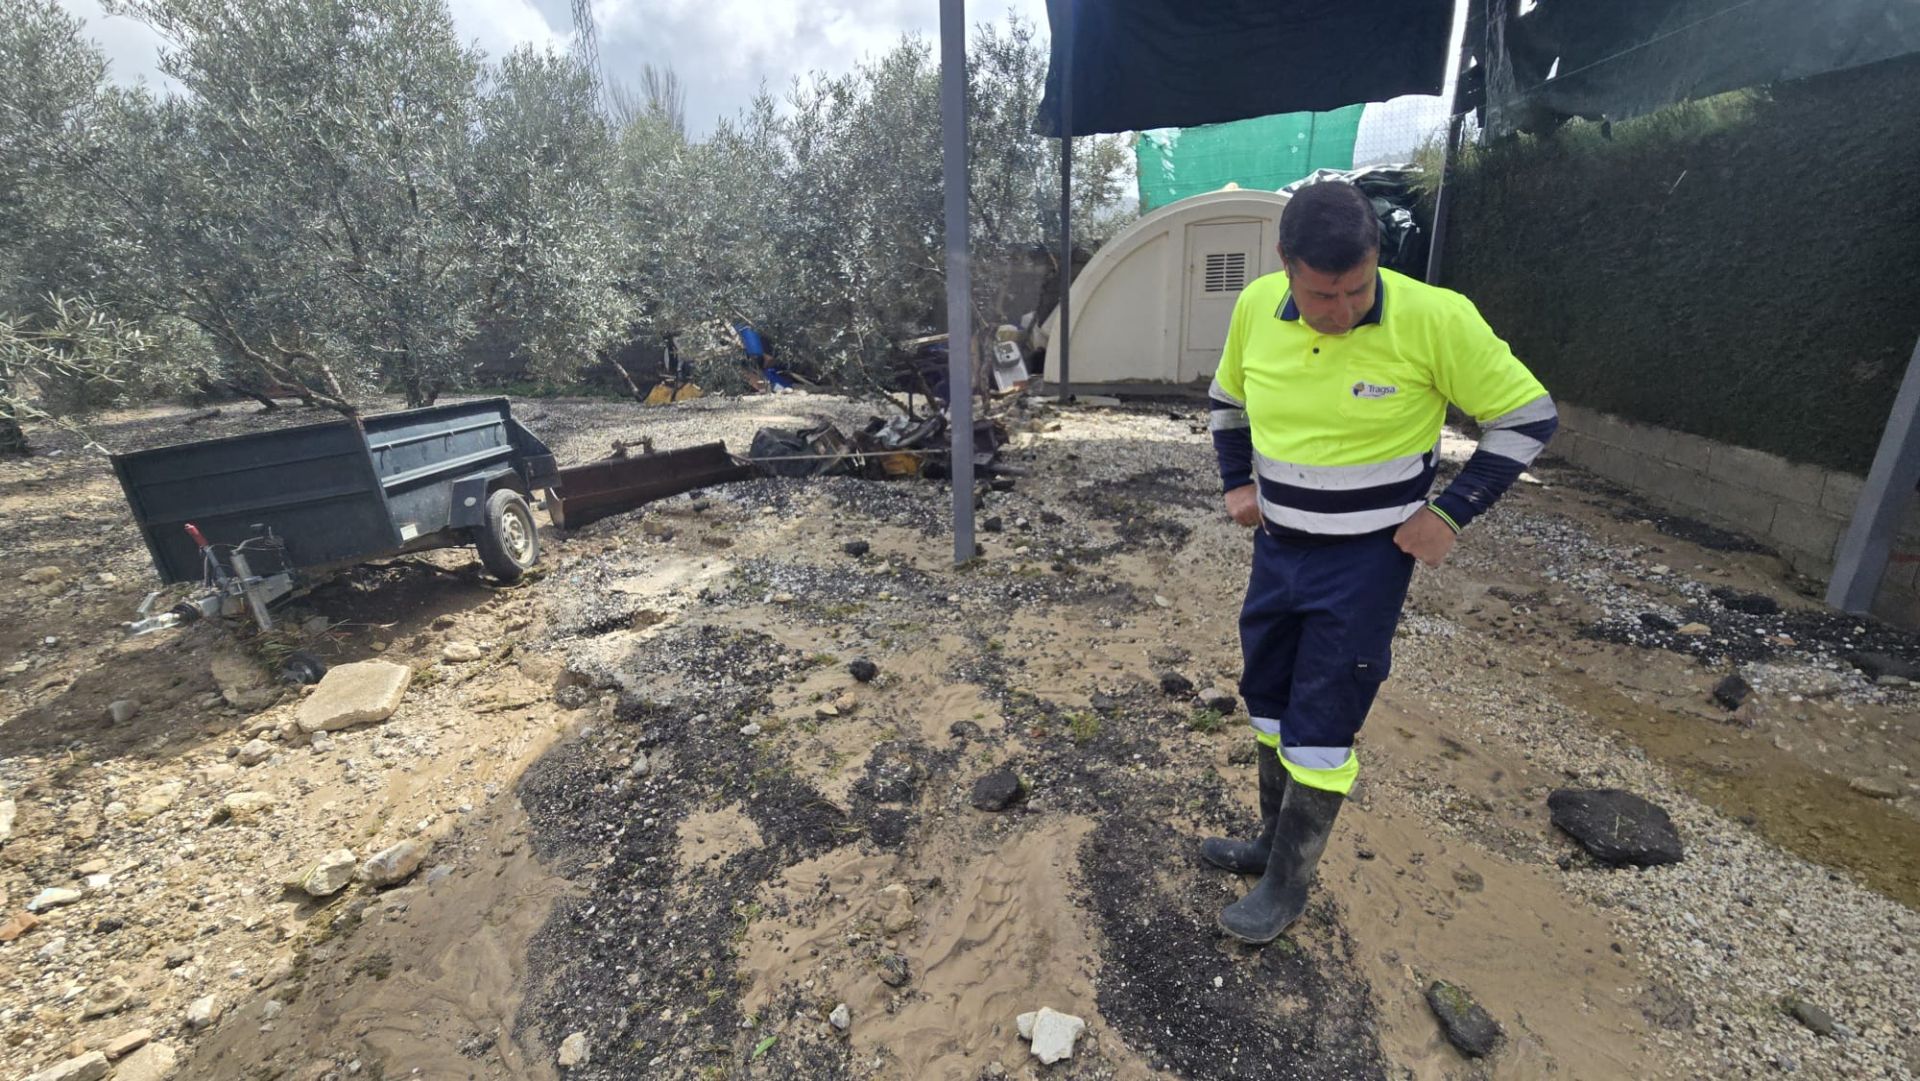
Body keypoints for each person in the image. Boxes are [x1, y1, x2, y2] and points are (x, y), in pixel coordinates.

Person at [1201, 180, 1557, 944]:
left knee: (1323, 722)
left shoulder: (1438, 318)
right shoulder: (1256, 306)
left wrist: (1450, 512)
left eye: (1358, 289)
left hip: (1365, 566)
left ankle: (1287, 888)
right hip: (1279, 550)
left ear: (1376, 262)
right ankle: (1269, 846)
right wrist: (1236, 482)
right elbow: (1228, 401)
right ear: (1286, 267)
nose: (1342, 310)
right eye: (1322, 294)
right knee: (1266, 698)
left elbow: (1527, 417)